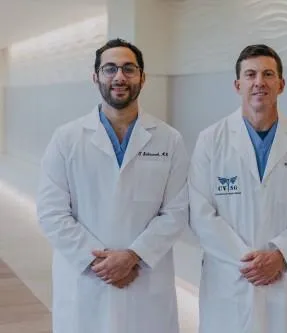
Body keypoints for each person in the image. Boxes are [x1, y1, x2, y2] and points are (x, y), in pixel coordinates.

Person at [36, 38, 189, 333]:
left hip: (143, 278)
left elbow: (177, 211)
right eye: (110, 69)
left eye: (129, 69)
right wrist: (101, 263)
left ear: (142, 77)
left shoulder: (169, 139)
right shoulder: (66, 138)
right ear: (96, 77)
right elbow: (51, 212)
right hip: (86, 280)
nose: (119, 77)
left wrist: (133, 256)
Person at [188, 44, 287, 333]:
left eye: (268, 74)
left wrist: (279, 256)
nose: (259, 82)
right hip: (228, 276)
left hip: (281, 276)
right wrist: (247, 261)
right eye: (250, 74)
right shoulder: (210, 140)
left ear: (281, 84)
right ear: (237, 85)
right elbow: (200, 212)